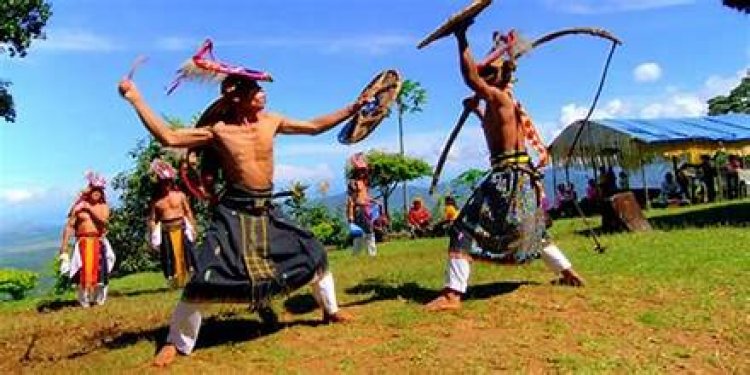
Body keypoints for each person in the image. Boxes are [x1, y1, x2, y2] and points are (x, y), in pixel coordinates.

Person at [119, 58, 363, 366]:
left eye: (261, 90)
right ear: (237, 97)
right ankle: (176, 343)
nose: (263, 94)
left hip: (266, 209)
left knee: (313, 251)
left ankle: (331, 310)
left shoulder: (272, 121)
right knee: (205, 275)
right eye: (256, 90)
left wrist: (352, 108)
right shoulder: (218, 131)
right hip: (233, 213)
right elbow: (168, 137)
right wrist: (136, 99)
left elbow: (314, 127)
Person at [425, 24, 584, 312]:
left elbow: (469, 77)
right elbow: (497, 128)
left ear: (498, 77)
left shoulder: (498, 98)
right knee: (529, 228)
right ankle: (568, 272)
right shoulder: (502, 102)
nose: (483, 78)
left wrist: (461, 38)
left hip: (508, 178)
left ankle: (452, 294)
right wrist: (475, 111)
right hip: (517, 176)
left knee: (464, 226)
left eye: (488, 74)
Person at [58, 172, 116, 307]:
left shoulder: (104, 207)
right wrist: (64, 247)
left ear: (102, 193)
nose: (96, 194)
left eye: (99, 191)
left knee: (100, 272)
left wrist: (88, 209)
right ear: (89, 192)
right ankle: (84, 300)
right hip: (82, 242)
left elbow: (104, 221)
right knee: (82, 270)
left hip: (98, 241)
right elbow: (69, 226)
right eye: (94, 191)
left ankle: (99, 299)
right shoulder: (78, 207)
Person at [147, 159, 198, 288]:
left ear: (171, 182)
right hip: (165, 229)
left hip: (182, 226)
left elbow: (188, 212)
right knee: (168, 257)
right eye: (163, 183)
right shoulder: (156, 201)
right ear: (159, 183)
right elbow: (152, 219)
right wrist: (153, 235)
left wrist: (193, 228)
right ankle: (174, 281)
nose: (166, 185)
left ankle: (192, 279)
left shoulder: (180, 195)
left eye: (168, 182)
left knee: (188, 254)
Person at [346, 153, 377, 256]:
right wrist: (350, 215)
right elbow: (351, 200)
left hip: (366, 208)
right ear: (356, 171)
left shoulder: (364, 183)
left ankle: (366, 253)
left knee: (368, 231)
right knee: (362, 232)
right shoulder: (353, 183)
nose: (363, 172)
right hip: (359, 210)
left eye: (364, 170)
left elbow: (365, 197)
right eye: (361, 170)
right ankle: (362, 253)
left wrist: (373, 201)